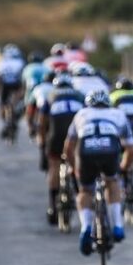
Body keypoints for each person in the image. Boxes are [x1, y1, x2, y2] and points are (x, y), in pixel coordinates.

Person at [63, 89, 133, 255]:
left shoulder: (81, 114)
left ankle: (85, 228)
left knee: (85, 190)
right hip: (109, 151)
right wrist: (123, 169)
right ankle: (117, 225)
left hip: (86, 151)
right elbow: (131, 150)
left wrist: (74, 166)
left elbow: (68, 147)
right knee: (113, 183)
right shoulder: (118, 114)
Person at [40, 73, 84, 225]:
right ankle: (81, 197)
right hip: (75, 135)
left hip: (56, 135)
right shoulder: (79, 95)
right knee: (78, 162)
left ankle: (53, 205)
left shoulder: (50, 95)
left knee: (54, 166)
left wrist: (42, 140)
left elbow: (42, 121)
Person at [27, 70, 56, 172]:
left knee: (41, 130)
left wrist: (30, 123)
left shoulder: (38, 88)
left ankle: (42, 152)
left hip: (41, 113)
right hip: (54, 115)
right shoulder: (56, 88)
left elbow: (31, 106)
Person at [0, 45, 25, 131]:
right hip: (16, 84)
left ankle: (6, 119)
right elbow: (23, 77)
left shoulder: (0, 62)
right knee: (17, 101)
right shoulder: (20, 62)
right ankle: (14, 110)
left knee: (3, 104)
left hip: (4, 85)